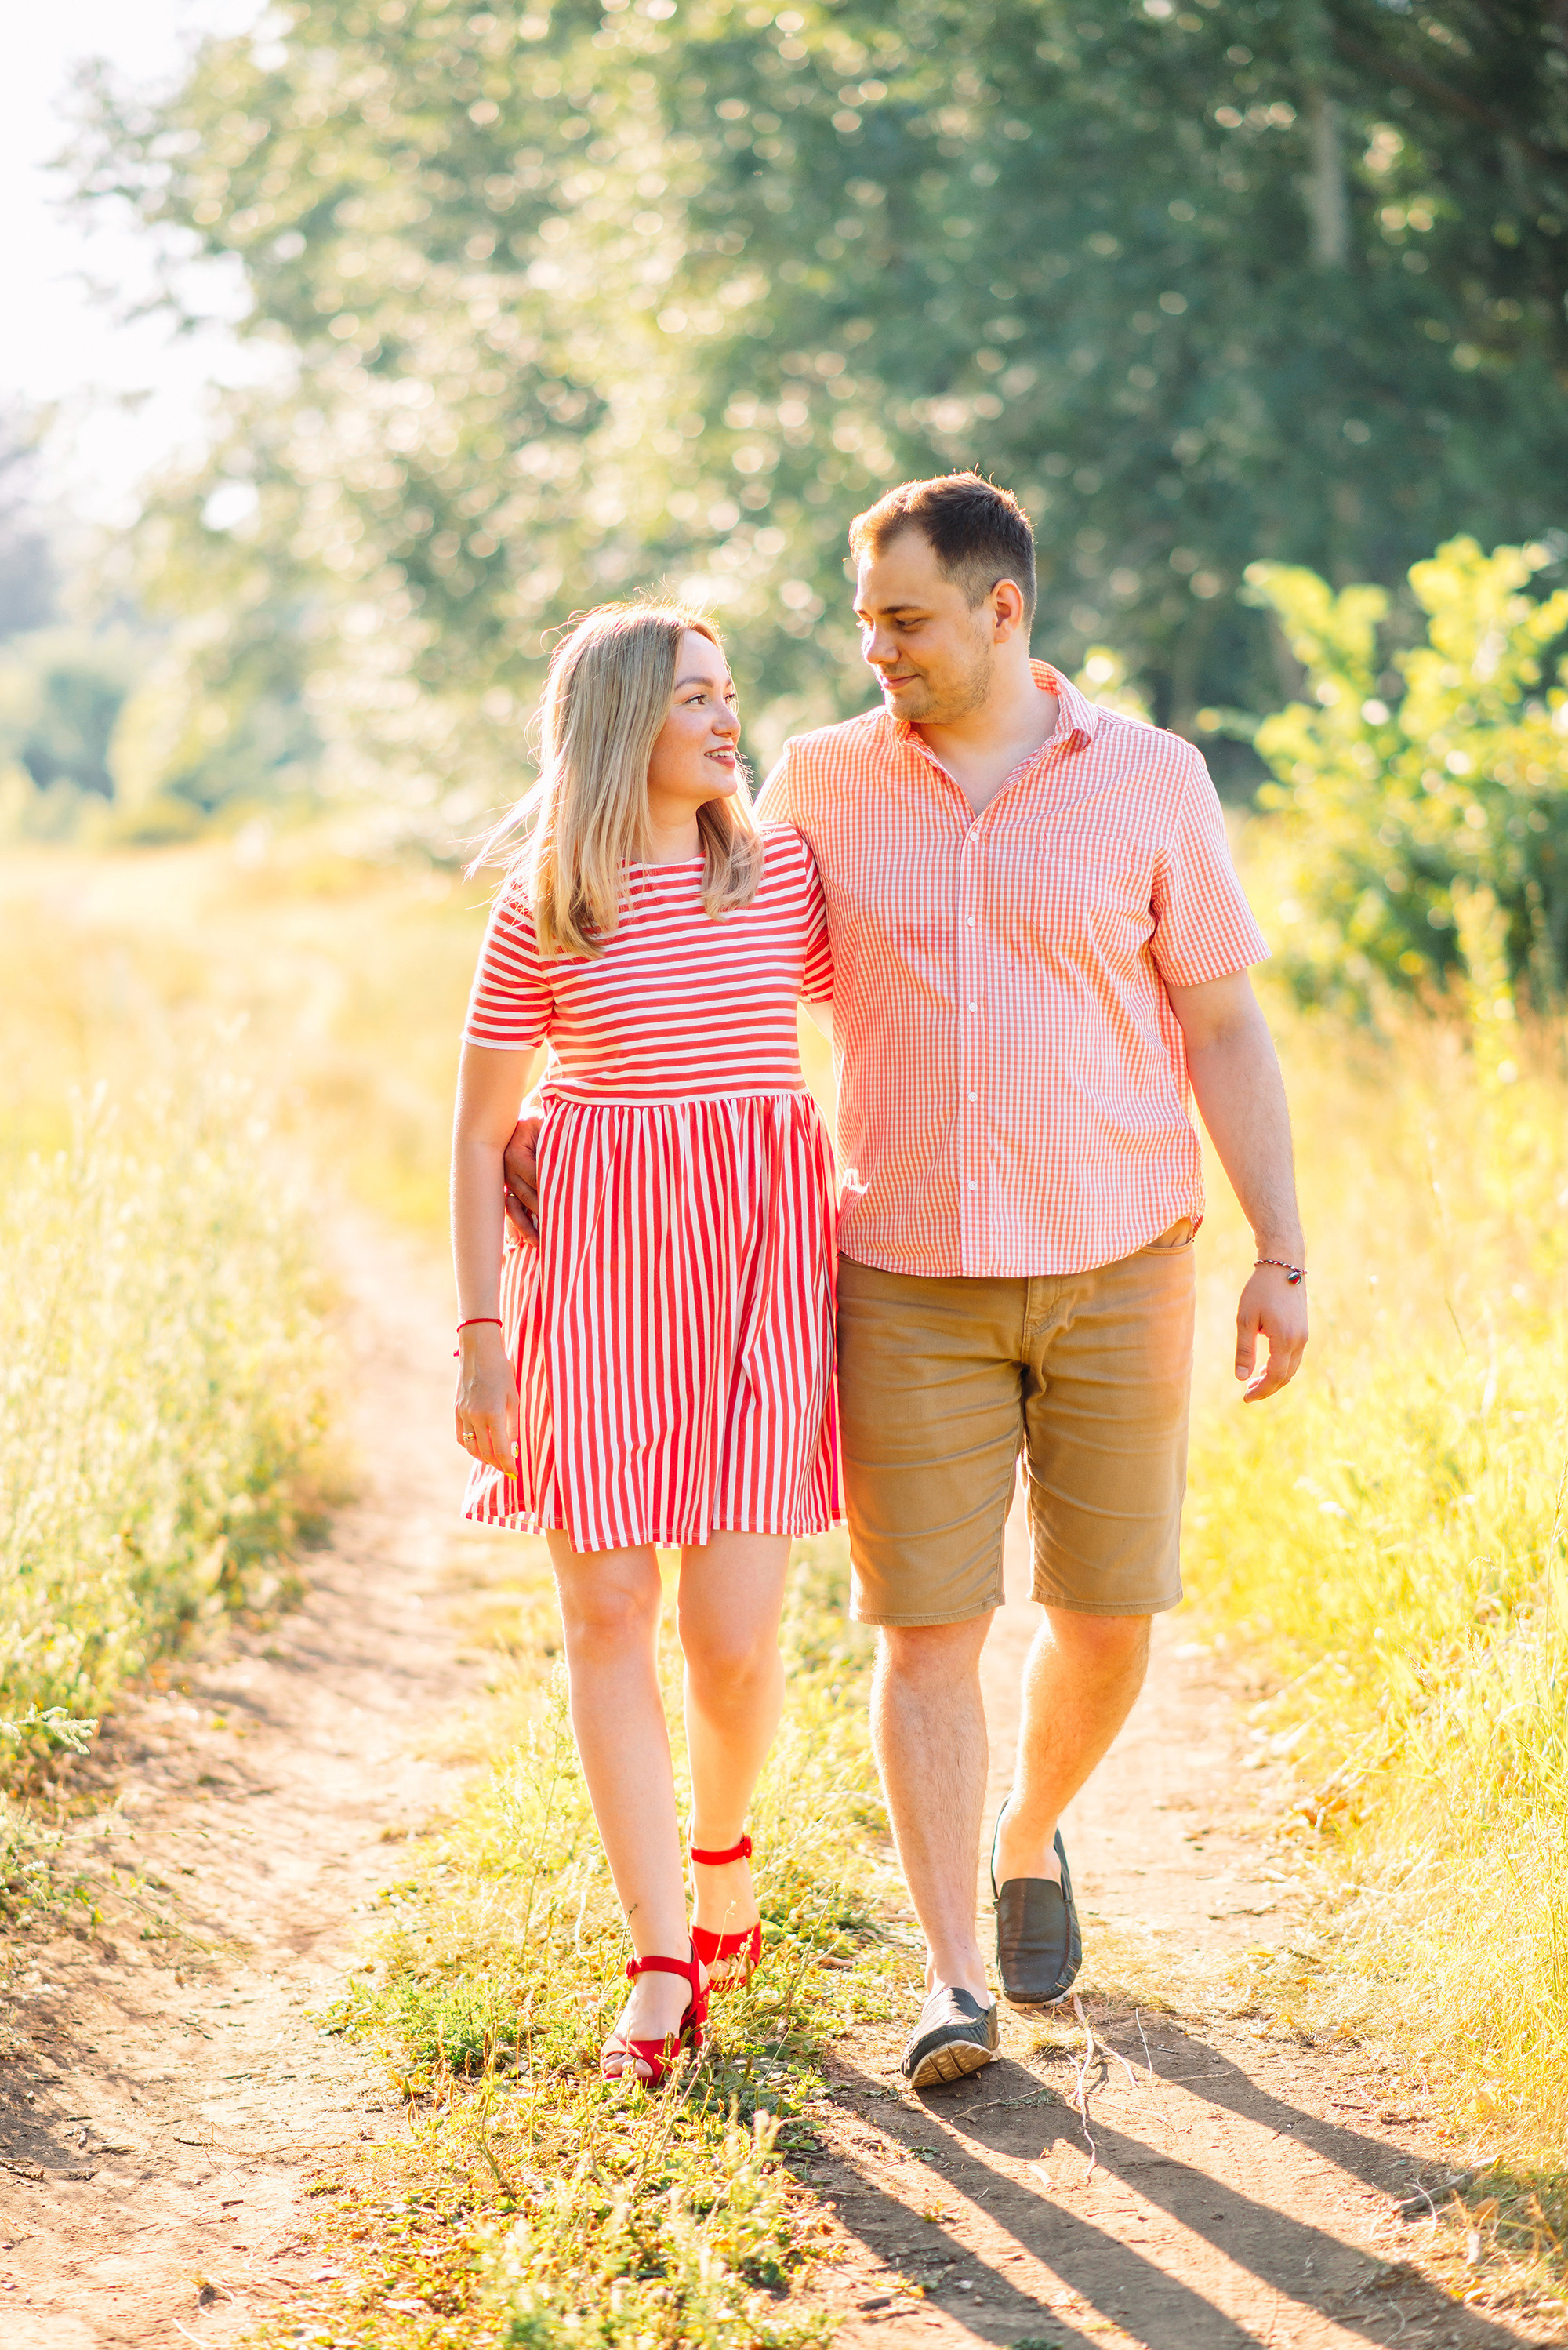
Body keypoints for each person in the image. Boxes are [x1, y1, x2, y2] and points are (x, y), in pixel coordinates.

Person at [506, 475, 1308, 2091]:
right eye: (864, 618)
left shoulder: (1151, 779)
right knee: (923, 1630)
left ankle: (1026, 1831)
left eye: (903, 619)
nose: (872, 648)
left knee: (1105, 1617)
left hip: (1121, 1257)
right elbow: (697, 950)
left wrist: (1278, 1249)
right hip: (903, 1273)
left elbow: (1222, 1022)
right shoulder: (820, 786)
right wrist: (562, 1097)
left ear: (1001, 611)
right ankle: (949, 1975)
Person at [450, 601, 838, 2087]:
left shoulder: (781, 870)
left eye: (732, 693)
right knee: (609, 1614)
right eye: (697, 696)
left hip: (760, 1276)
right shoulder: (547, 901)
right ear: (623, 720)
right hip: (604, 1276)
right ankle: (660, 1957)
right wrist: (483, 1331)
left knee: (734, 1635)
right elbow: (482, 1132)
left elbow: (892, 1003)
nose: (730, 719)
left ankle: (724, 1849)